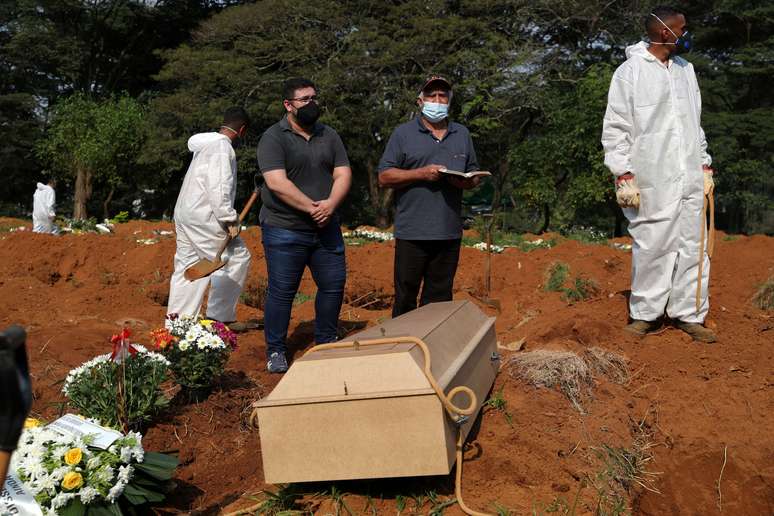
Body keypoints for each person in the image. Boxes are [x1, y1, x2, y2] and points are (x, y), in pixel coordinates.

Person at [602, 6, 716, 343]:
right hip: (651, 178)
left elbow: (694, 124)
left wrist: (704, 163)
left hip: (690, 177)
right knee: (652, 244)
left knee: (693, 245)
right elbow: (616, 127)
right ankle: (645, 314)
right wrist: (623, 174)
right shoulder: (630, 72)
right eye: (683, 28)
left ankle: (690, 314)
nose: (686, 33)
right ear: (666, 33)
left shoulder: (686, 70)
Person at [257, 78, 352, 373]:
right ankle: (275, 350)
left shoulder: (329, 135)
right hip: (285, 228)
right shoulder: (273, 137)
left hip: (326, 226)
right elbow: (276, 183)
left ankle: (326, 339)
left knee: (333, 286)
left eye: (314, 98)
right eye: (304, 100)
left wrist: (330, 205)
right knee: (282, 291)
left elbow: (343, 172)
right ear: (288, 105)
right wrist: (313, 208)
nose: (312, 104)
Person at [378, 75, 482, 317]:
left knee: (439, 299)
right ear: (420, 101)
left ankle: (432, 350)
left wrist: (468, 181)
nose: (437, 100)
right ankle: (402, 348)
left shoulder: (462, 134)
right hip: (412, 231)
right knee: (405, 297)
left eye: (442, 96)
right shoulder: (403, 134)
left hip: (448, 232)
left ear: (449, 101)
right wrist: (421, 174)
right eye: (432, 96)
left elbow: (474, 174)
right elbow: (384, 177)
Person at [167, 107, 252, 328]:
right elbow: (219, 186)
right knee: (237, 258)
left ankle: (178, 324)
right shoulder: (223, 148)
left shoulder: (206, 146)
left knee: (188, 264)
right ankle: (219, 318)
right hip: (204, 216)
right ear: (242, 130)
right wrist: (229, 219)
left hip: (185, 213)